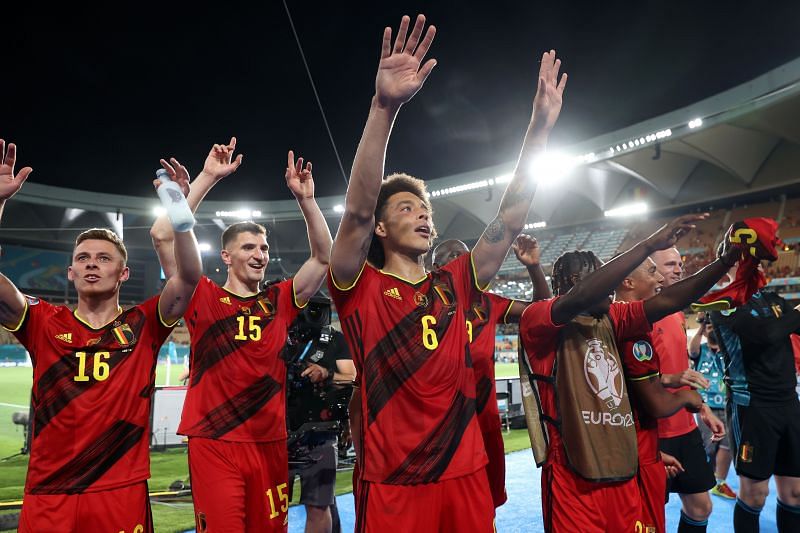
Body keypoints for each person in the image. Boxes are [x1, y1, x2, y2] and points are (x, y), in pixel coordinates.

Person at [328, 14, 566, 531]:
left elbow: (509, 217)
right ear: (383, 230)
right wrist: (383, 108)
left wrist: (538, 130)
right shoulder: (357, 285)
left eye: (425, 208)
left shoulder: (457, 281)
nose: (423, 214)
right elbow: (358, 213)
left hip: (465, 472)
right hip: (394, 480)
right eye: (408, 207)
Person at [0, 140, 201, 532]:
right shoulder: (42, 320)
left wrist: (179, 210)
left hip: (118, 488)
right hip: (50, 490)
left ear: (123, 274)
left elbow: (189, 277)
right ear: (71, 273)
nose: (92, 263)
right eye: (83, 259)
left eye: (104, 258)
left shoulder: (145, 323)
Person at [150, 141, 332, 532]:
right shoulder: (202, 295)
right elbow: (164, 235)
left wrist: (308, 201)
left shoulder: (281, 300)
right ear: (226, 257)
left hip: (269, 443)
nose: (260, 254)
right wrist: (207, 178)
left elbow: (322, 257)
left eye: (264, 247)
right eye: (248, 247)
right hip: (215, 442)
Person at [519, 216, 742, 533]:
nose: (610, 289)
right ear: (572, 283)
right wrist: (649, 244)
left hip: (622, 472)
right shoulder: (538, 321)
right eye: (600, 280)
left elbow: (668, 299)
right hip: (573, 481)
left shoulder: (613, 317)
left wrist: (725, 261)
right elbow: (580, 298)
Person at [431, 234, 549, 510]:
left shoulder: (487, 303)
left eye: (464, 257)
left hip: (483, 421)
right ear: (434, 268)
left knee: (484, 507)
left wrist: (533, 266)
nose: (460, 263)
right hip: (439, 426)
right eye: (450, 258)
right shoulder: (421, 305)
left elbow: (541, 311)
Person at [615, 257, 705, 533]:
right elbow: (647, 395)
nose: (662, 278)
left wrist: (694, 400)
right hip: (642, 436)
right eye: (659, 269)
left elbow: (652, 374)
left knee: (698, 507)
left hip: (664, 435)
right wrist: (685, 398)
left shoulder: (671, 314)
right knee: (645, 519)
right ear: (629, 281)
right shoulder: (628, 323)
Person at [710, 265, 800, 533]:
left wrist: (790, 316)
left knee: (795, 492)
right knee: (755, 493)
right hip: (752, 405)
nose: (759, 264)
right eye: (751, 257)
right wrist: (794, 315)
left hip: (788, 402)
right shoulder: (723, 302)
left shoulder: (773, 300)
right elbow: (766, 334)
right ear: (731, 263)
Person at [651, 247, 726, 533]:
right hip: (652, 431)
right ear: (650, 269)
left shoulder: (677, 313)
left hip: (685, 427)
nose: (679, 269)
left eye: (681, 263)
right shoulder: (635, 315)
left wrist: (703, 409)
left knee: (700, 507)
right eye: (671, 264)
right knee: (650, 512)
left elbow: (683, 370)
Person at [688, 315, 736, 500]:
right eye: (707, 326)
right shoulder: (700, 349)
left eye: (712, 325)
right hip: (706, 407)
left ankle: (720, 482)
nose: (710, 328)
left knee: (728, 445)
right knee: (708, 447)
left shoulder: (728, 349)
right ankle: (707, 477)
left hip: (727, 405)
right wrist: (701, 327)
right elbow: (691, 351)